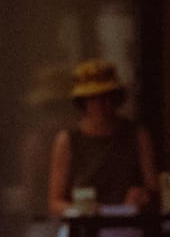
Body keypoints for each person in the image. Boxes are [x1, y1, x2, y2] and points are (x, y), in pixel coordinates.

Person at [47, 60, 157, 217]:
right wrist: (79, 211)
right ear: (83, 102)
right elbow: (55, 202)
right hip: (84, 230)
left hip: (128, 226)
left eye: (108, 97)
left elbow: (153, 190)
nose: (103, 104)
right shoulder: (68, 140)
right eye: (95, 98)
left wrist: (143, 196)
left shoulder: (137, 135)